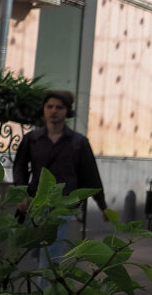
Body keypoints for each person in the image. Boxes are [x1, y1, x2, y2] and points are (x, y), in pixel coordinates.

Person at [12, 90, 109, 273]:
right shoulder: (32, 139)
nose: (54, 111)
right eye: (50, 106)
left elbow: (91, 176)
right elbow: (20, 168)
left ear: (67, 111)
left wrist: (103, 206)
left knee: (50, 256)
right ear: (44, 109)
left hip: (62, 205)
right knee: (33, 253)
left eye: (59, 107)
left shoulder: (78, 142)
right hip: (36, 203)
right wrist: (22, 194)